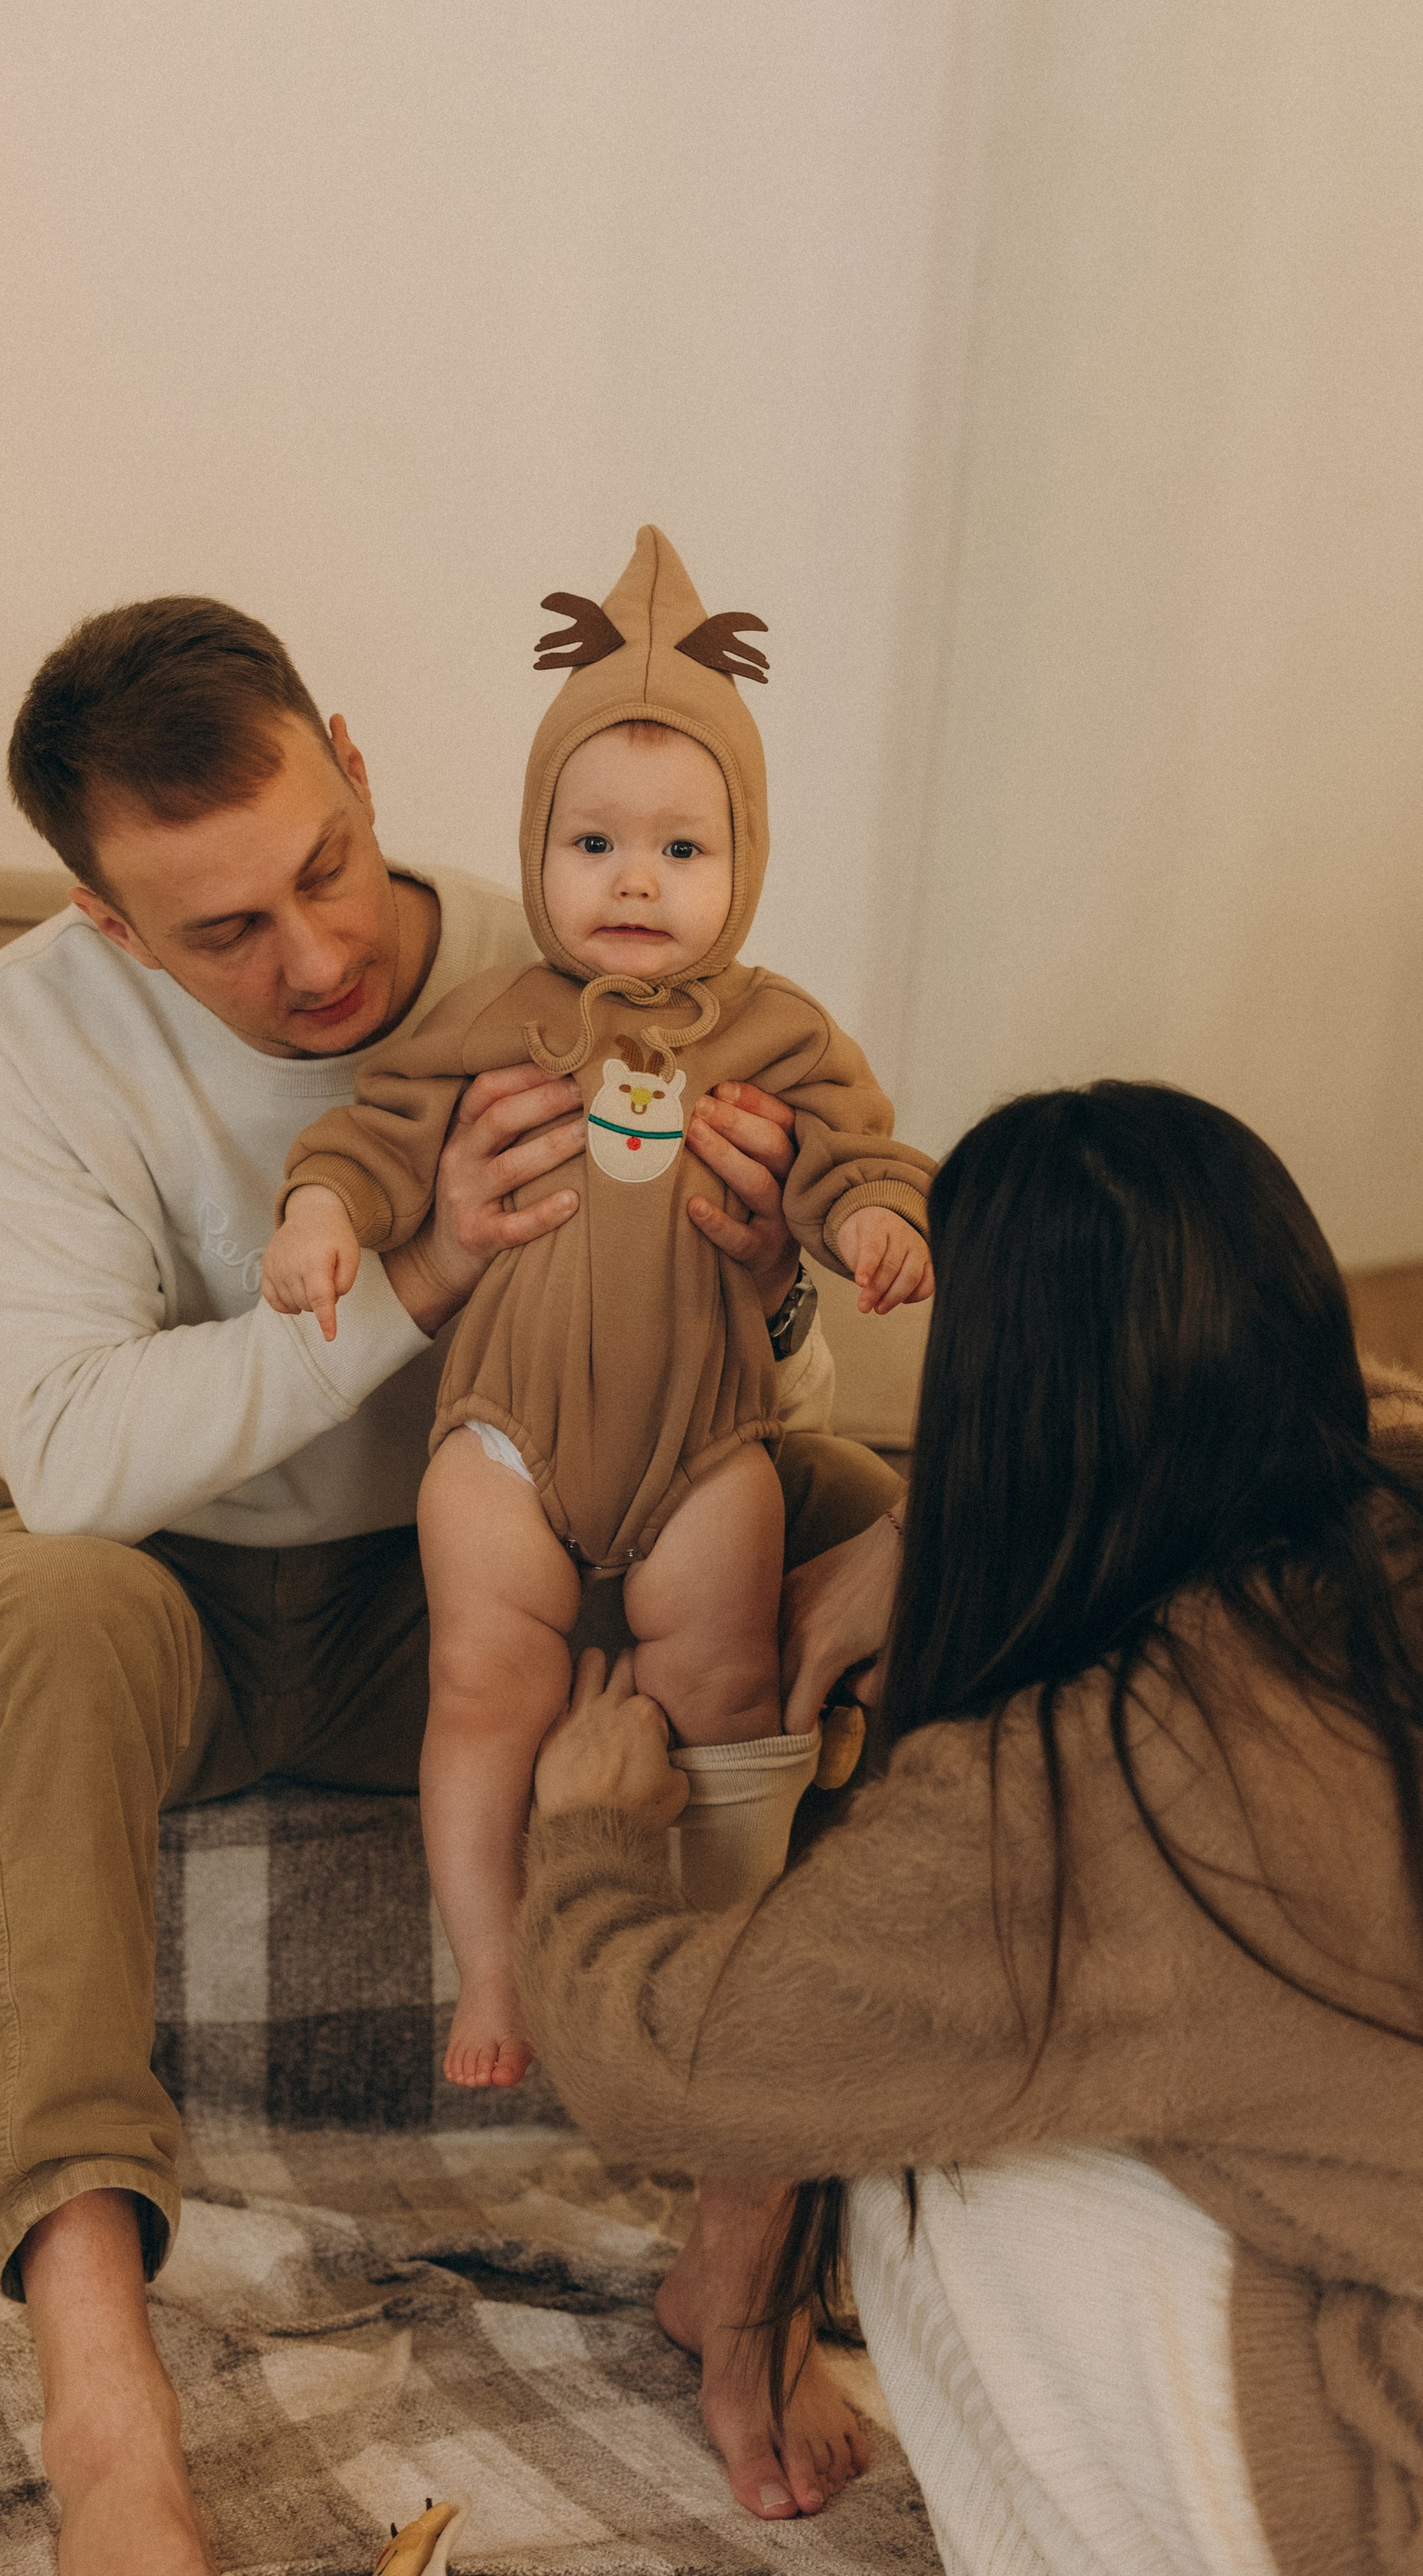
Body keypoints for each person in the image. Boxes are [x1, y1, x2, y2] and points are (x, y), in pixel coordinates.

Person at [0, 595, 895, 2575]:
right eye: (225, 933)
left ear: (354, 767)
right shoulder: (29, 1025)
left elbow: (747, 1414)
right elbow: (74, 1458)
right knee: (40, 1602)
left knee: (875, 1520)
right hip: (168, 1597)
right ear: (111, 922)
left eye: (328, 866)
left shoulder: (574, 954)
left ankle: (743, 2256)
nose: (319, 958)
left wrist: (766, 1276)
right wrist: (424, 1273)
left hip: (453, 1585)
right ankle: (107, 2407)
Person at [520, 1081, 1423, 2575]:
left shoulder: (1088, 1786)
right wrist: (907, 1536)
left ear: (993, 1409)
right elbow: (1356, 1389)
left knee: (930, 2161)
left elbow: (671, 2065)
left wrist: (586, 1839)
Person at [262, 526, 934, 2087]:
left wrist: (874, 1222)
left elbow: (855, 1152)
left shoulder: (782, 1035)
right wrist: (320, 1216)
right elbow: (373, 1136)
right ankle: (495, 1974)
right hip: (505, 1443)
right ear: (538, 849)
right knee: (482, 1686)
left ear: (744, 865)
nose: (636, 878)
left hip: (706, 1447)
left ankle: (704, 1970)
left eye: (683, 851)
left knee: (724, 1688)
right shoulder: (493, 1018)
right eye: (594, 843)